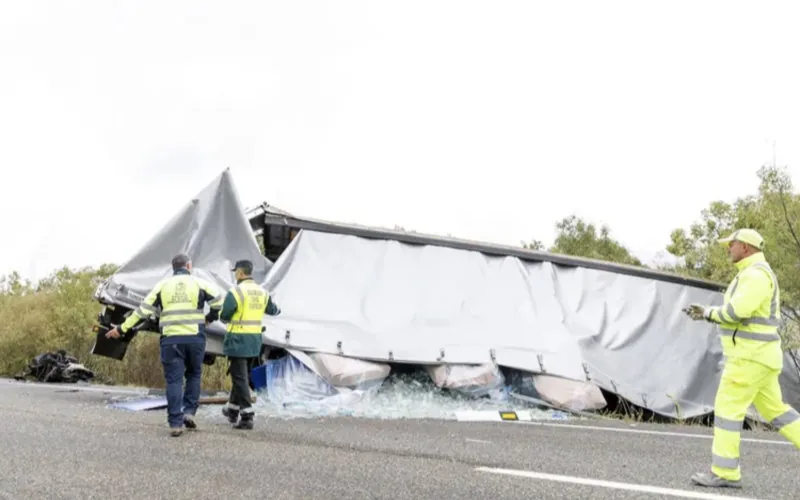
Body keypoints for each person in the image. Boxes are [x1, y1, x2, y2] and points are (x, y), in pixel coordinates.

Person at [684, 228, 800, 488]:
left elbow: (738, 311)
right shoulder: (753, 274)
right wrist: (708, 312)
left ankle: (725, 473)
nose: (728, 248)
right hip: (760, 358)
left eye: (732, 244)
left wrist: (707, 313)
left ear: (745, 247)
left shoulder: (755, 275)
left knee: (727, 410)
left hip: (749, 359)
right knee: (777, 411)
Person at [105, 253, 224, 437]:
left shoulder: (162, 286)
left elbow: (142, 312)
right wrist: (210, 317)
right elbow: (218, 301)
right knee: (194, 374)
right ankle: (189, 412)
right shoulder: (199, 283)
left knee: (174, 381)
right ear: (189, 266)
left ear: (173, 268)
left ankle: (175, 423)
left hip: (171, 340)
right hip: (194, 338)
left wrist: (121, 329)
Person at [219, 259, 281, 430]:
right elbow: (273, 310)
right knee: (242, 376)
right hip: (254, 341)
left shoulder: (236, 292)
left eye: (235, 272)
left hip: (238, 340)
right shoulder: (262, 292)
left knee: (239, 377)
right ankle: (232, 409)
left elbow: (224, 316)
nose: (235, 275)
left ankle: (247, 415)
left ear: (239, 272)